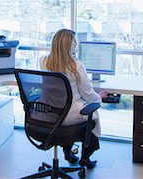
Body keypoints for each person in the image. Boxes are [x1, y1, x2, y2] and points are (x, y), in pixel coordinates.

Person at [40, 29, 108, 169]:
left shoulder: (43, 62)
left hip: (49, 113)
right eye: (74, 42)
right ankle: (85, 157)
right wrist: (99, 97)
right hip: (69, 115)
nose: (76, 45)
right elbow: (88, 95)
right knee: (94, 116)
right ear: (70, 46)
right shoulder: (76, 66)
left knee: (83, 112)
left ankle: (68, 153)